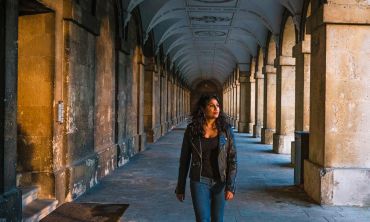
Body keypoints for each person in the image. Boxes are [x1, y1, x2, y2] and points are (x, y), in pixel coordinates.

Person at [175, 94, 237, 222]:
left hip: (220, 181)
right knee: (202, 219)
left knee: (217, 219)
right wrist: (180, 187)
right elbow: (184, 160)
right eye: (211, 106)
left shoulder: (226, 130)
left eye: (218, 106)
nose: (216, 109)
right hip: (199, 180)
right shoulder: (192, 130)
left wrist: (230, 186)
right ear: (203, 109)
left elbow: (232, 159)